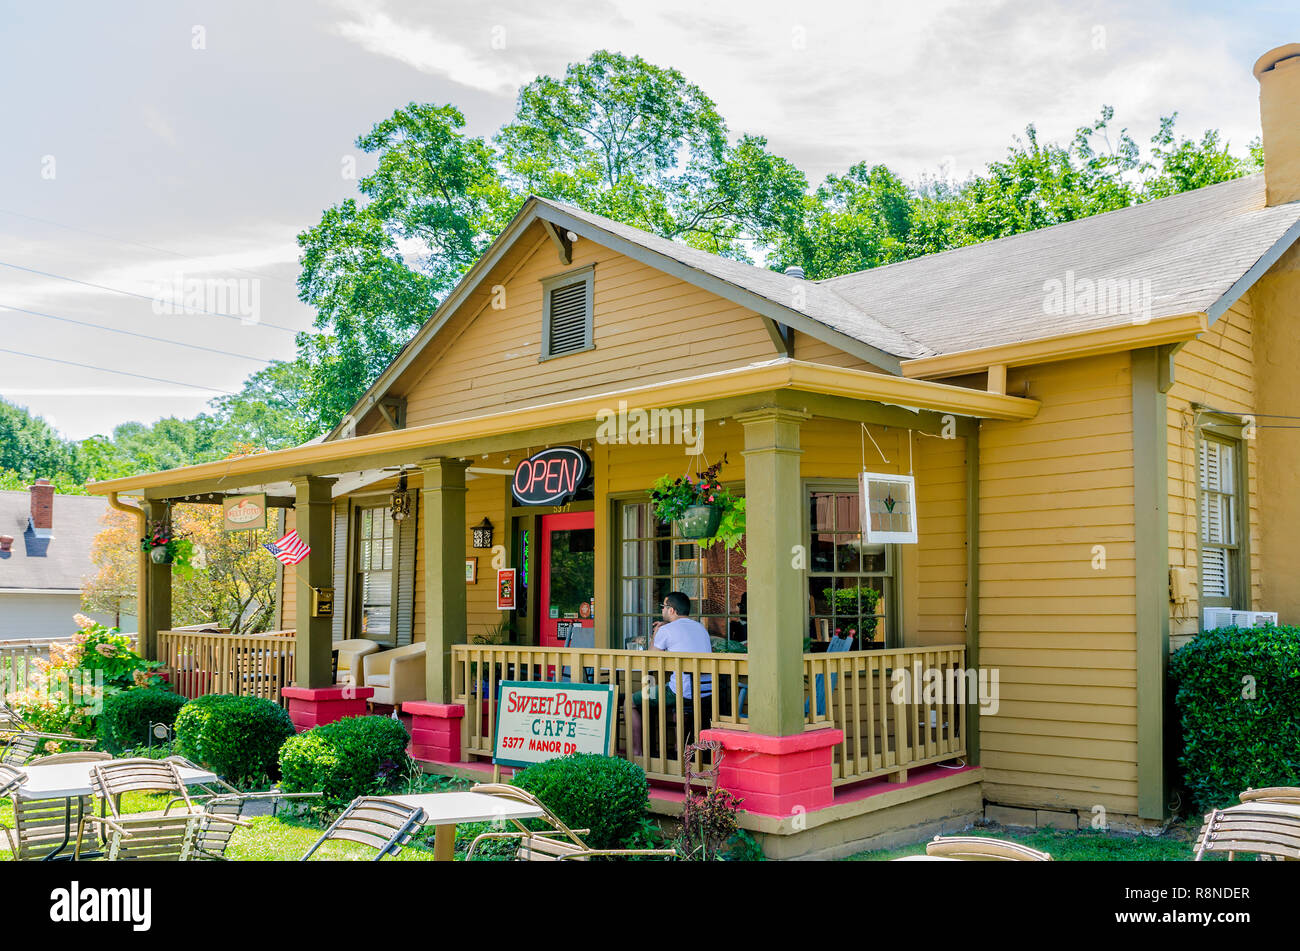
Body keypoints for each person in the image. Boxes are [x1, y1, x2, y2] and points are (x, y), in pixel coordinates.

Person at [630, 592, 712, 757]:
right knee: (668, 699)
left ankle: (636, 753)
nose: (662, 610)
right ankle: (678, 748)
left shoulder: (666, 630)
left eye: (664, 607)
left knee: (630, 701)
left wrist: (656, 632)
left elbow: (650, 659)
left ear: (672, 610)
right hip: (707, 692)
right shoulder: (700, 627)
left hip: (682, 692)